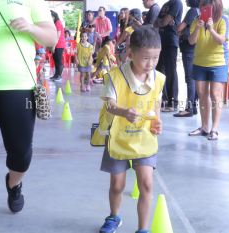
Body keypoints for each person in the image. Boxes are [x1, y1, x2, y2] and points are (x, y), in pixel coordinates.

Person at [0, 0, 57, 229]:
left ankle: (13, 183)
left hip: (19, 88)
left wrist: (31, 28)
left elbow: (51, 38)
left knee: (21, 153)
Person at [98, 25, 165, 233]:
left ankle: (142, 229)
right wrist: (124, 112)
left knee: (146, 185)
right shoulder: (114, 77)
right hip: (118, 138)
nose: (151, 63)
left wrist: (157, 122)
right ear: (131, 52)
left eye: (155, 58)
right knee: (117, 185)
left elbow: (155, 105)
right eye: (146, 58)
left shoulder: (159, 78)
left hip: (145, 138)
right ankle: (114, 217)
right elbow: (109, 104)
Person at [188, 0, 227, 140]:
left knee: (216, 96)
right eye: (203, 6)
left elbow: (221, 40)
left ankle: (214, 129)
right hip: (199, 63)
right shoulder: (195, 21)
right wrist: (198, 28)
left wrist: (211, 29)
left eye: (208, 6)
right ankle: (205, 127)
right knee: (202, 95)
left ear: (215, 7)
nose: (205, 8)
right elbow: (191, 41)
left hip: (217, 63)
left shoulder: (221, 21)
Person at [154, 0, 183, 112]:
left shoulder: (177, 3)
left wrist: (163, 21)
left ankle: (173, 102)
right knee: (159, 70)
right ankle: (164, 100)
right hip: (161, 41)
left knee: (171, 71)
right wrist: (163, 21)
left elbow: (163, 22)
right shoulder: (166, 4)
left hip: (171, 41)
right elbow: (157, 22)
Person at [173, 0, 199, 117]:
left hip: (189, 48)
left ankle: (189, 108)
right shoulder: (198, 11)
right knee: (192, 78)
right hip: (193, 48)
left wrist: (174, 24)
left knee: (190, 78)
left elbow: (180, 28)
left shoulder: (192, 11)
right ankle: (193, 106)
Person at [50, 10, 66, 82]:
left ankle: (59, 75)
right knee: (56, 60)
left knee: (59, 60)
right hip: (56, 44)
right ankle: (56, 75)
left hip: (59, 44)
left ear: (53, 16)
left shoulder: (58, 23)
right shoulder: (55, 23)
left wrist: (53, 46)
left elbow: (58, 36)